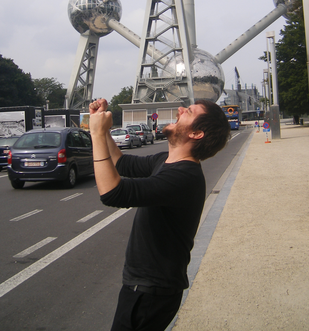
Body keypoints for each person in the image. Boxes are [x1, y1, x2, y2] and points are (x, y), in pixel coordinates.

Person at [89, 98, 231, 331]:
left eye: (189, 111)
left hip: (151, 293)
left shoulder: (185, 178)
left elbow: (113, 193)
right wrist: (103, 131)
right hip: (144, 288)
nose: (180, 110)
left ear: (196, 133)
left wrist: (95, 135)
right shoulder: (165, 161)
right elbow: (122, 164)